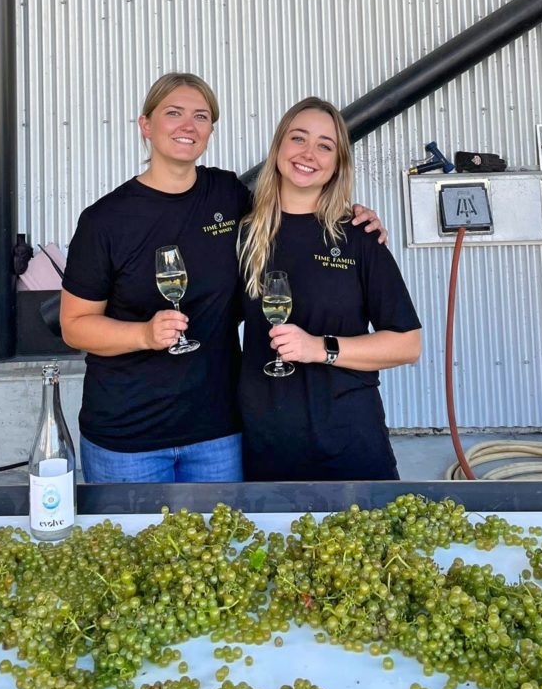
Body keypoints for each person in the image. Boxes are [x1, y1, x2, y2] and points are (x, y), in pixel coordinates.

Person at [60, 74, 385, 483]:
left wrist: (353, 216)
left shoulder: (227, 194)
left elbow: (291, 207)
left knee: (218, 545)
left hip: (218, 432)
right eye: (173, 113)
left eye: (201, 116)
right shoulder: (105, 221)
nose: (188, 126)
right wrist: (143, 335)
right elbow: (74, 327)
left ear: (210, 130)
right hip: (128, 436)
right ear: (146, 125)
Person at [237, 97, 422, 481]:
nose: (309, 154)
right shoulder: (243, 236)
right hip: (266, 441)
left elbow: (407, 344)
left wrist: (319, 347)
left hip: (350, 440)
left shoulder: (359, 237)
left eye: (325, 146)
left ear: (338, 163)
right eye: (298, 138)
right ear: (278, 149)